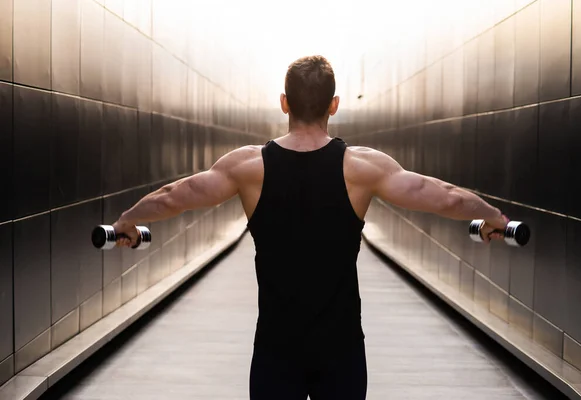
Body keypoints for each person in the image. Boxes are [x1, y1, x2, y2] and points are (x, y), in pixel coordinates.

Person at [111, 55, 509, 400]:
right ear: (334, 105)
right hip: (341, 349)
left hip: (275, 347)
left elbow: (173, 196)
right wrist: (493, 217)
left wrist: (128, 220)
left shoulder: (248, 168)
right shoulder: (362, 168)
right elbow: (444, 195)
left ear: (284, 103)